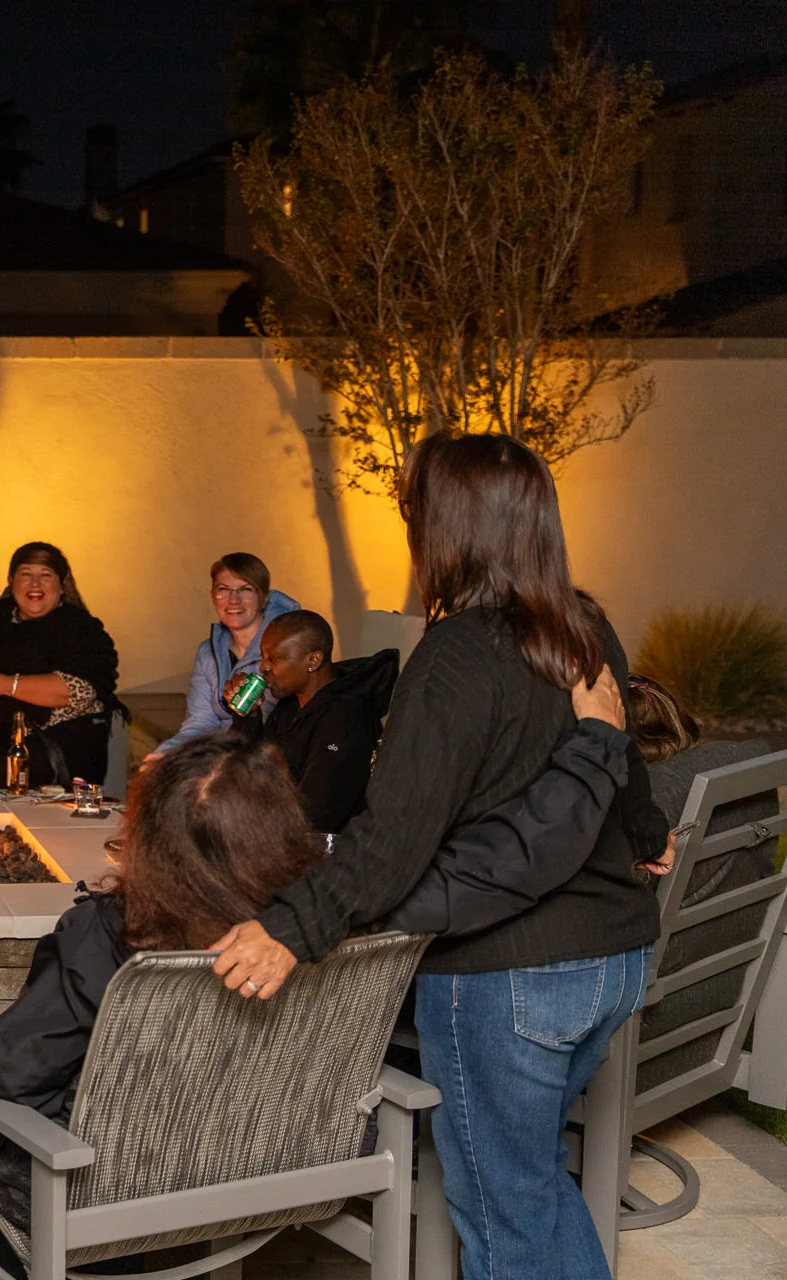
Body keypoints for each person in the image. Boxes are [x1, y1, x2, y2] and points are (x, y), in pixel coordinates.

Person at [208, 433, 670, 1280]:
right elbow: (619, 750)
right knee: (531, 1185)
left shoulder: (456, 656)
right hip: (614, 960)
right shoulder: (584, 623)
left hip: (509, 976)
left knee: (505, 1216)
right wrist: (646, 830)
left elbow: (393, 837)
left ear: (447, 528)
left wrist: (290, 928)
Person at [0, 734, 323, 1244]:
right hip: (257, 1158)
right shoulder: (305, 936)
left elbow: (14, 1076)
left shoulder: (109, 937)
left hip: (104, 1184)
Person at [0, 542, 121, 788]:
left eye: (45, 575)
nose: (35, 584)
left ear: (61, 586)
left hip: (55, 741)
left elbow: (77, 692)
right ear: (12, 582)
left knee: (14, 764)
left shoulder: (80, 630)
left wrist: (4, 685)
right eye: (26, 574)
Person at [230, 609, 398, 833]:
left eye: (273, 658)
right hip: (278, 831)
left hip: (324, 845)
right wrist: (248, 717)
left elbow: (317, 812)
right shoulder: (292, 705)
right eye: (263, 657)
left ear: (313, 661)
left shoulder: (345, 718)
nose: (263, 667)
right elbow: (252, 769)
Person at [153, 552, 300, 755]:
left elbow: (275, 721)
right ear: (213, 595)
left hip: (271, 756)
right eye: (223, 589)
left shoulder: (287, 644)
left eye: (245, 589)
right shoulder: (208, 652)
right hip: (225, 756)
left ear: (264, 598)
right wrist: (164, 755)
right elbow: (200, 723)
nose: (234, 600)